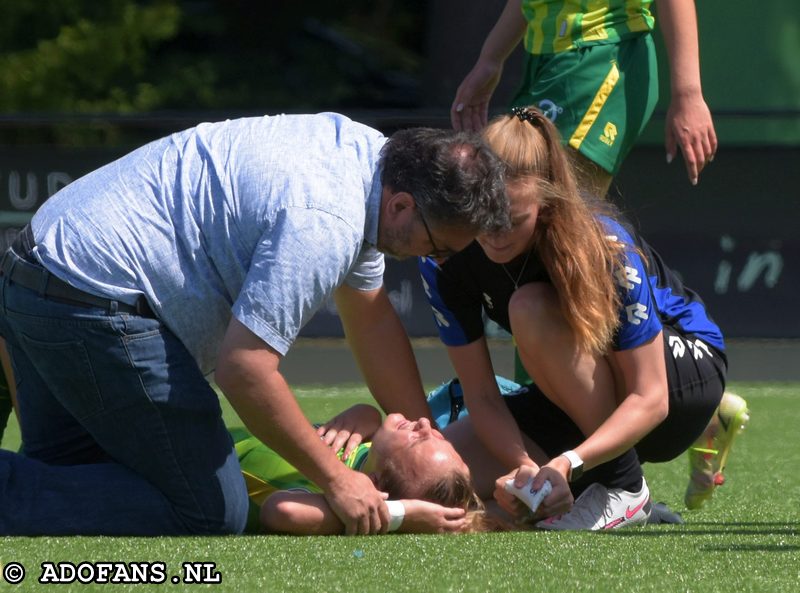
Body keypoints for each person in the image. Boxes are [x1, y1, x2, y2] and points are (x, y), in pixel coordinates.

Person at [0, 112, 509, 536]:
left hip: (38, 272)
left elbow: (370, 317)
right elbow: (244, 370)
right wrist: (337, 478)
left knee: (74, 479)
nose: (436, 260)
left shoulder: (369, 159)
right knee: (210, 512)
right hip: (92, 299)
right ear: (402, 206)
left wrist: (428, 436)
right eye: (438, 245)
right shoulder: (325, 221)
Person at [420, 107, 748, 530]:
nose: (495, 235)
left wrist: (569, 462)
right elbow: (481, 395)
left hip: (681, 382)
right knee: (440, 480)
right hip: (579, 395)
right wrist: (525, 468)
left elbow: (652, 398)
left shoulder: (602, 243)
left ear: (545, 199)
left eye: (513, 220)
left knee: (529, 307)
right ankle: (624, 496)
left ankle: (626, 488)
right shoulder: (445, 256)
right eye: (484, 218)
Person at [450, 0, 718, 198]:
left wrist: (688, 93)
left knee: (550, 209)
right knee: (501, 195)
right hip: (545, 63)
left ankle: (636, 273)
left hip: (603, 56)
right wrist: (490, 59)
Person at [235, 404, 487, 535]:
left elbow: (281, 511)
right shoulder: (366, 451)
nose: (424, 423)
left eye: (416, 440)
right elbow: (370, 423)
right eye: (437, 436)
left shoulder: (337, 502)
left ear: (376, 485)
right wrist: (368, 414)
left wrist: (403, 514)